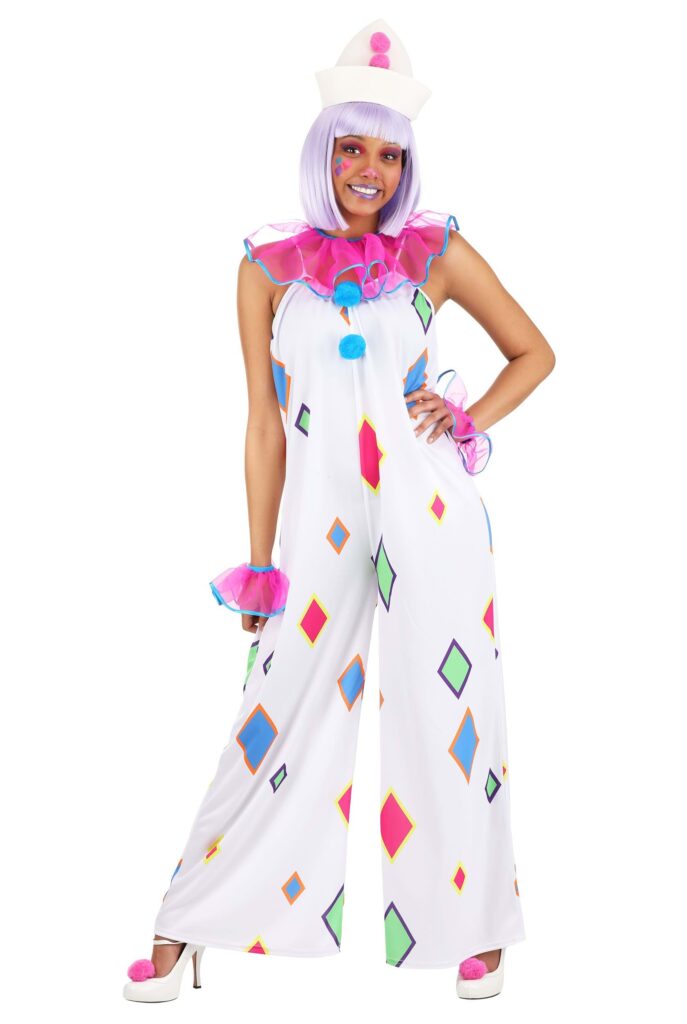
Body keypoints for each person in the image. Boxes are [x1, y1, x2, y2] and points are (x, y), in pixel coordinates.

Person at [122, 18, 555, 1003]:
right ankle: (192, 918)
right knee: (275, 706)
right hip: (319, 520)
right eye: (352, 149)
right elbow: (263, 424)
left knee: (450, 707)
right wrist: (260, 562)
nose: (369, 171)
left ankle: (475, 924)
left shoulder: (438, 253)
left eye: (388, 155)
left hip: (429, 510)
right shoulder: (267, 267)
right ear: (323, 151)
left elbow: (535, 352)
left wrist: (466, 417)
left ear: (406, 164)